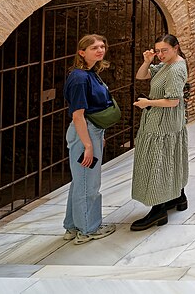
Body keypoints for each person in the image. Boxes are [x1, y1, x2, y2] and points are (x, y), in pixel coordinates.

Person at [129, 33, 189, 231]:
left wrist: (147, 103)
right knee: (170, 156)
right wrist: (147, 61)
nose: (161, 54)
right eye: (158, 51)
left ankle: (159, 210)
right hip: (167, 122)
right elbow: (141, 75)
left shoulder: (175, 69)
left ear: (176, 48)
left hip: (162, 123)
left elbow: (173, 101)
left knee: (157, 161)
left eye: (165, 50)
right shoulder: (166, 65)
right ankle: (178, 196)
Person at [61, 34, 118, 244]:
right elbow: (78, 115)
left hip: (91, 132)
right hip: (83, 132)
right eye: (94, 47)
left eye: (102, 46)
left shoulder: (91, 73)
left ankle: (72, 226)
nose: (100, 50)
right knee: (88, 184)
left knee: (80, 182)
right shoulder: (79, 78)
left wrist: (97, 137)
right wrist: (88, 145)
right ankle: (88, 229)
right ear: (82, 52)